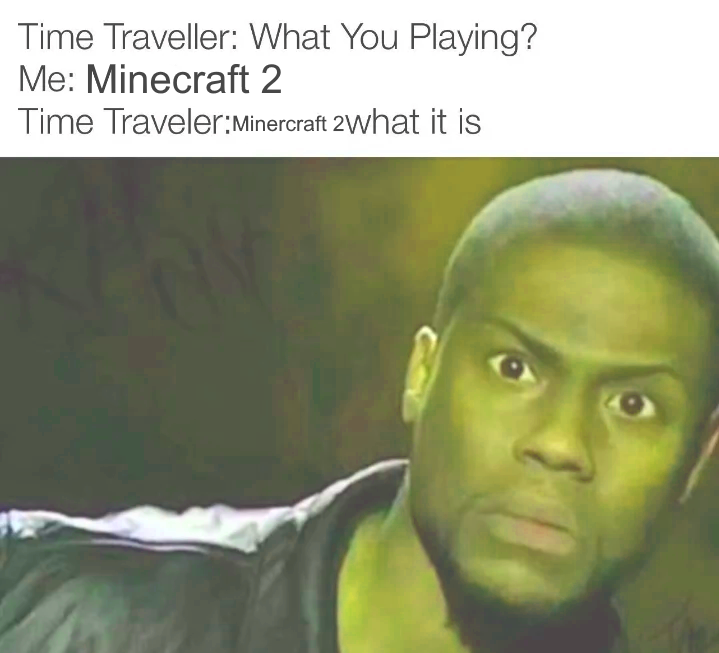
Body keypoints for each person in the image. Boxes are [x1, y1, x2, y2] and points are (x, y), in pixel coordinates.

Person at [1, 168, 717, 653]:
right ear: (422, 373)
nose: (561, 442)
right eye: (514, 368)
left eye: (633, 404)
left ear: (698, 457)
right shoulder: (44, 605)